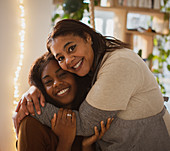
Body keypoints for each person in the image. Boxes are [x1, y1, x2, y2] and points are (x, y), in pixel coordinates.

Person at [15, 19, 170, 151]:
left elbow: (84, 123)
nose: (68, 60)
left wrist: (30, 107)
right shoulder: (89, 69)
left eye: (71, 48)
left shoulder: (119, 64)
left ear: (87, 37)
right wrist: (34, 87)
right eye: (61, 58)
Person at [13, 52, 113, 151]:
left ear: (75, 76)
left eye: (62, 74)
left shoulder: (89, 119)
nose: (57, 83)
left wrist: (86, 146)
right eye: (48, 82)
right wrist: (65, 142)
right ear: (42, 89)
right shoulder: (31, 125)